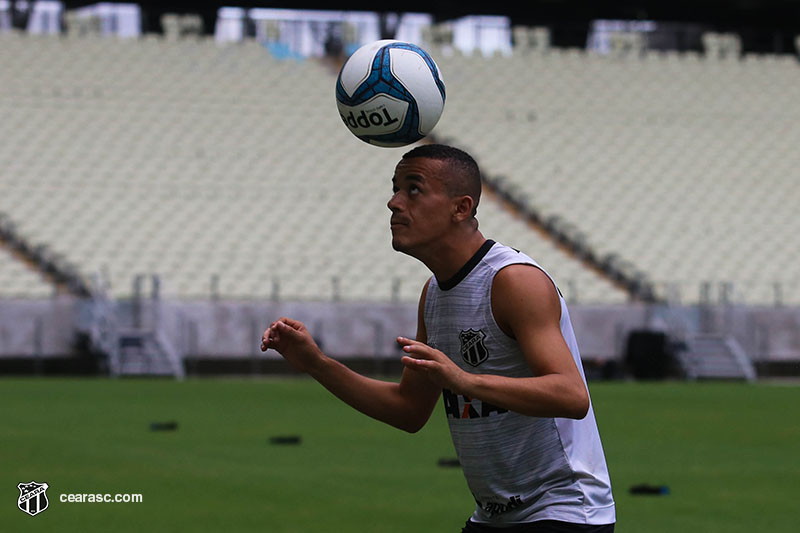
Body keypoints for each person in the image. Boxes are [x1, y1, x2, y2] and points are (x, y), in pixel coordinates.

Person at [261, 144, 615, 532]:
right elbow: (408, 410)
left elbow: (571, 395)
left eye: (413, 189)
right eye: (395, 188)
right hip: (495, 516)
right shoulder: (434, 294)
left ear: (460, 208)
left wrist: (464, 382)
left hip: (563, 510)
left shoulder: (514, 281)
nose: (394, 203)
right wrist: (317, 363)